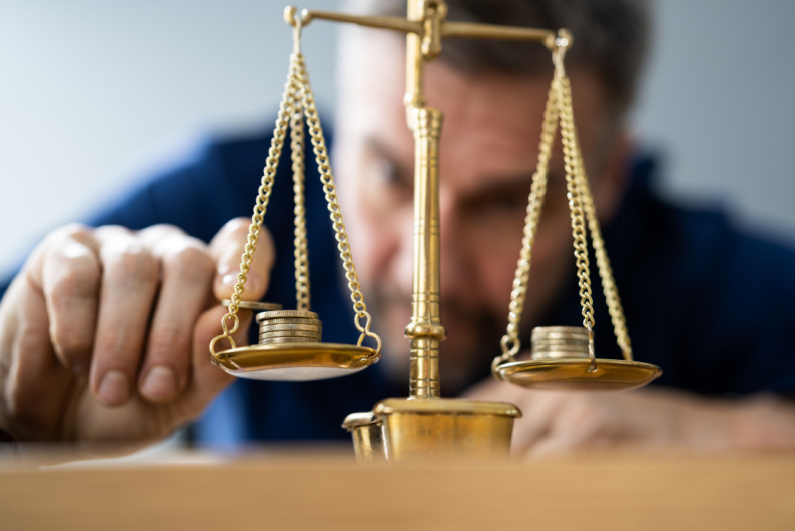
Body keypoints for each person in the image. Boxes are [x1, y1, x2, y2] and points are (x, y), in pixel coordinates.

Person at [1, 0, 794, 455]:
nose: (426, 279)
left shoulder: (695, 269)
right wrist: (25, 421)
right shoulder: (222, 200)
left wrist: (734, 433)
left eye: (505, 201)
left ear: (609, 175)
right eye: (387, 173)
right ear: (341, 131)